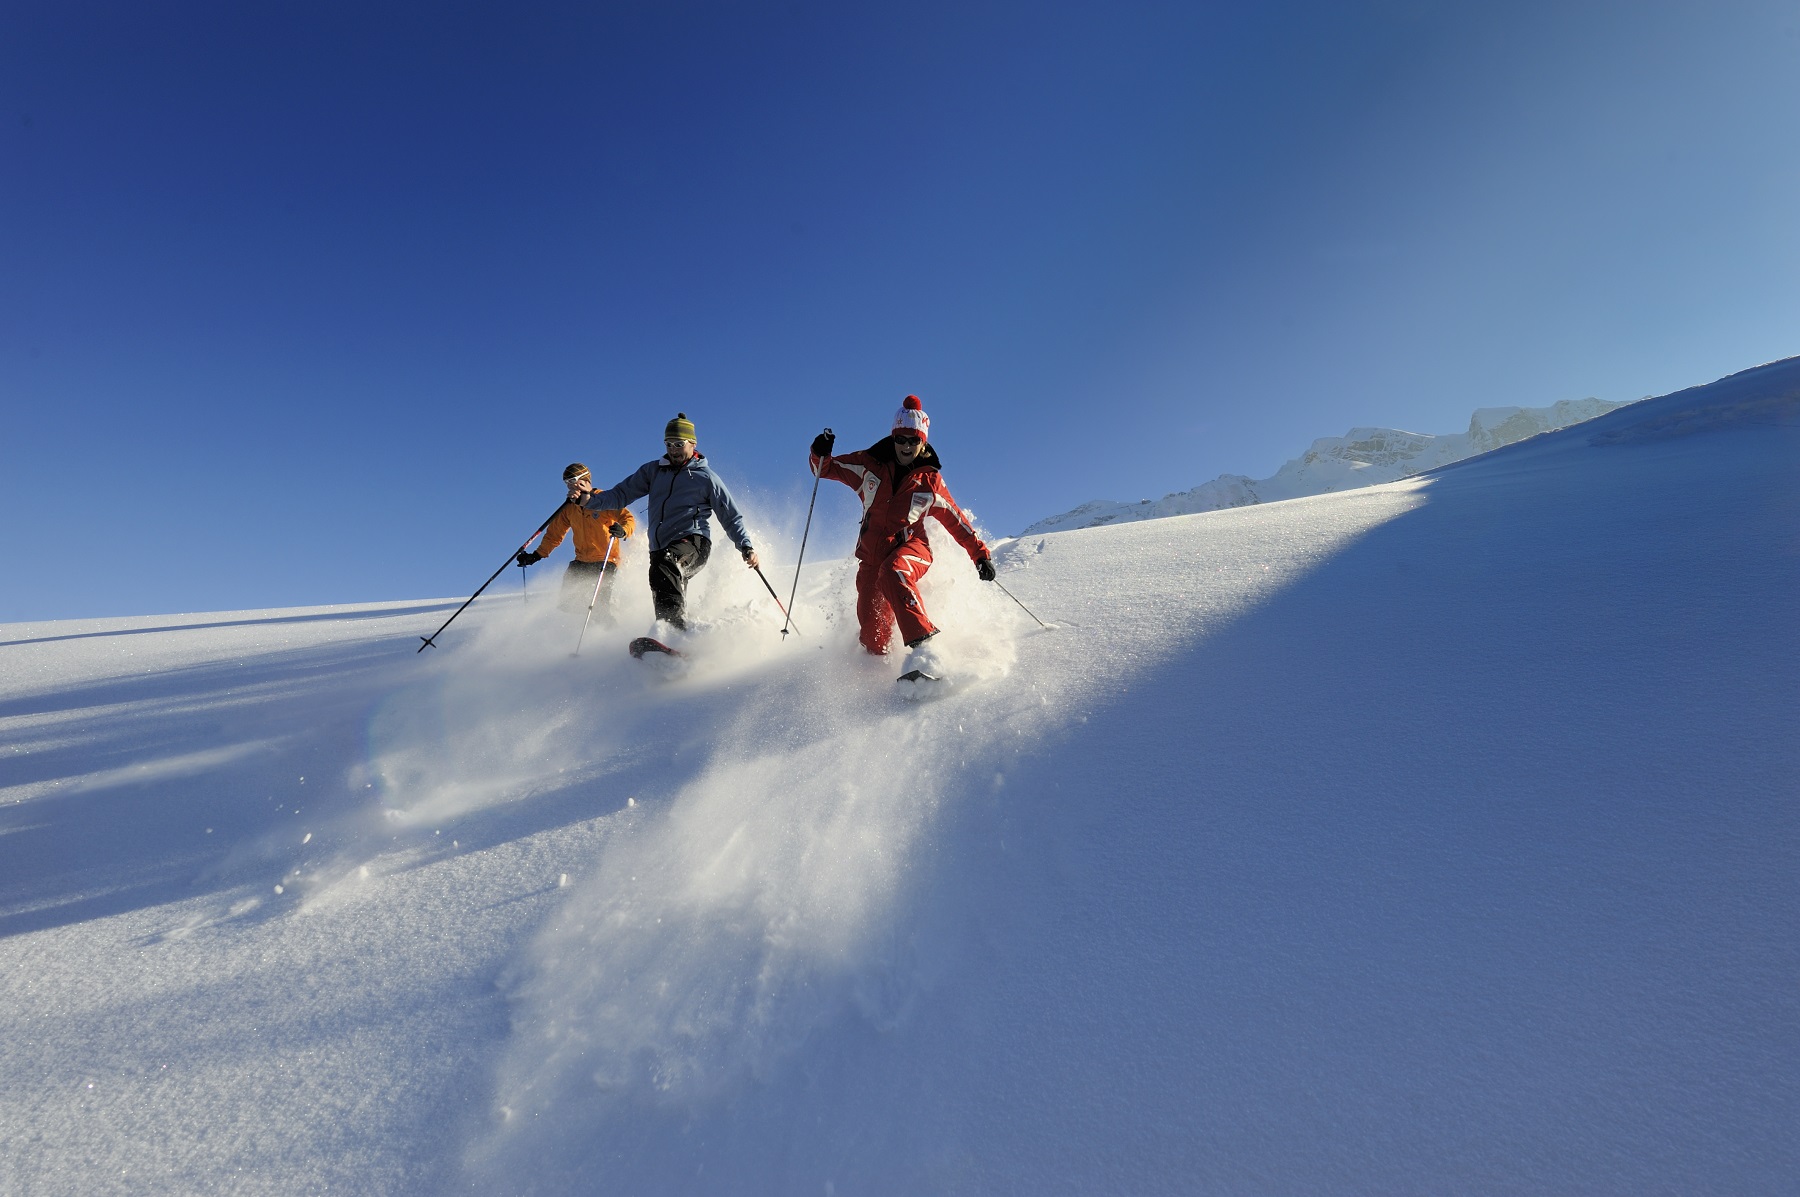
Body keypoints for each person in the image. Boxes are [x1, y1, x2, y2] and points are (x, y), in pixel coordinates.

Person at [808, 394, 994, 672]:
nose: (906, 446)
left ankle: (927, 653)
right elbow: (824, 469)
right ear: (893, 436)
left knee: (894, 571)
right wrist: (819, 451)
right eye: (901, 439)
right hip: (871, 559)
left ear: (923, 441)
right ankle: (888, 678)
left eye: (913, 440)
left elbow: (957, 521)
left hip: (912, 549)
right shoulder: (868, 465)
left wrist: (980, 555)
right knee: (874, 637)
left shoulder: (929, 482)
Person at [571, 413, 759, 631]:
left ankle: (673, 631)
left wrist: (746, 546)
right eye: (669, 444)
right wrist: (589, 500)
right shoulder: (653, 471)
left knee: (666, 564)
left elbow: (730, 515)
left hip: (694, 543)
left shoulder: (706, 478)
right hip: (660, 549)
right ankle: (672, 641)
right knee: (660, 576)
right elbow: (621, 494)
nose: (673, 450)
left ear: (693, 444)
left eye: (679, 444)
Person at [514, 463, 637, 619]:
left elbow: (627, 518)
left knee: (599, 607)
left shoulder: (603, 500)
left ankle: (609, 632)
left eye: (572, 481)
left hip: (606, 560)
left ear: (584, 480)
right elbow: (554, 534)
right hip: (581, 561)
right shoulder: (569, 508)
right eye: (566, 483)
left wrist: (623, 530)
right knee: (568, 603)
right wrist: (537, 555)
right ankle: (587, 631)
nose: (569, 486)